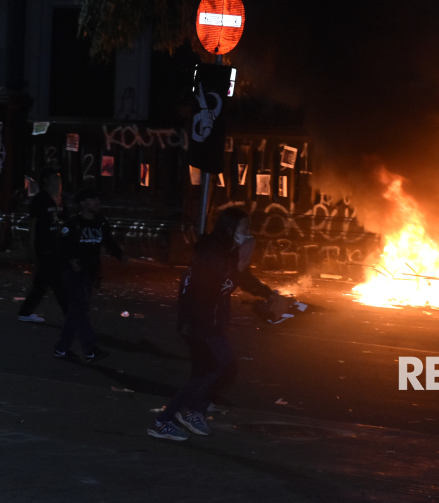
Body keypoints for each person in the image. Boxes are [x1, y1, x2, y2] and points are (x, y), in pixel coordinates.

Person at [148, 208, 277, 441]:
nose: (249, 233)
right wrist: (239, 268)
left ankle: (193, 411)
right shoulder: (211, 254)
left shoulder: (227, 250)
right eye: (244, 228)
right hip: (198, 322)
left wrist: (266, 292)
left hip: (210, 322)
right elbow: (214, 292)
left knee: (215, 371)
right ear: (230, 229)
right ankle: (163, 422)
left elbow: (243, 278)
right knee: (212, 371)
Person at [54, 188, 127, 362]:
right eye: (92, 199)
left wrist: (120, 255)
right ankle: (91, 349)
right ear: (82, 203)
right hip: (72, 273)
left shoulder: (101, 223)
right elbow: (60, 248)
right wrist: (70, 260)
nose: (97, 203)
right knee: (81, 308)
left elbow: (109, 242)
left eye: (97, 199)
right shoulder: (72, 224)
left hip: (90, 273)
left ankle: (62, 348)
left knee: (76, 310)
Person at [18, 167, 69, 323]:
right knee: (57, 281)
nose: (58, 180)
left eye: (59, 178)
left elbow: (64, 221)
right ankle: (71, 314)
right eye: (55, 177)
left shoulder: (60, 199)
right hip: (44, 245)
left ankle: (26, 311)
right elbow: (33, 223)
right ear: (46, 180)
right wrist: (31, 247)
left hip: (56, 245)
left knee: (42, 282)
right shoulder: (40, 198)